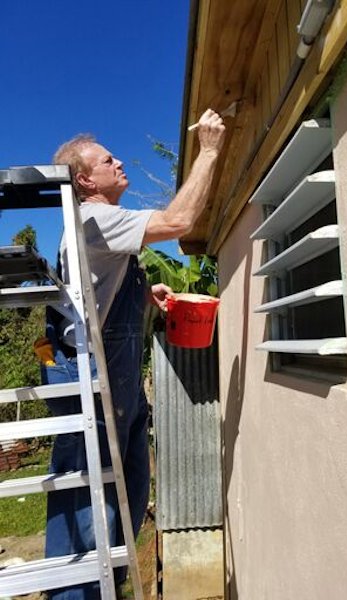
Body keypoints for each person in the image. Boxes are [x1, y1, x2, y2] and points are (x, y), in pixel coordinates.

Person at [41, 109, 226, 600]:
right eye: (108, 160)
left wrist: (144, 293)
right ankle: (75, 594)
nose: (119, 162)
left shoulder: (99, 228)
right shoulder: (96, 218)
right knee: (89, 506)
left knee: (121, 493)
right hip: (90, 379)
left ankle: (103, 588)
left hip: (112, 380)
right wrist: (208, 151)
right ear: (85, 180)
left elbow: (95, 295)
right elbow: (179, 220)